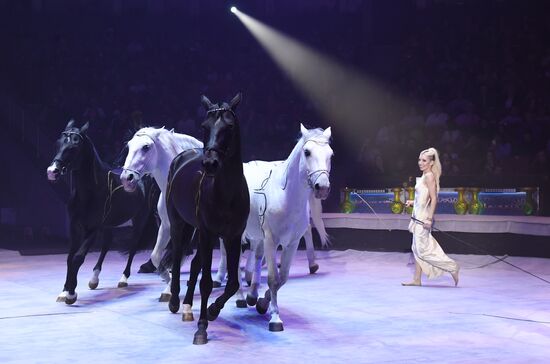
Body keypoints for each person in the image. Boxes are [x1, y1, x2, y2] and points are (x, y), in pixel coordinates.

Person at [402, 147, 460, 287]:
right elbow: (424, 198)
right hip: (418, 215)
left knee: (422, 250)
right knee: (416, 248)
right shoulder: (424, 176)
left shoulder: (429, 177)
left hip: (423, 218)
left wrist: (429, 218)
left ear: (431, 162)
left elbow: (434, 199)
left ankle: (452, 267)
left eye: (424, 160)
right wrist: (412, 202)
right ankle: (417, 279)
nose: (420, 163)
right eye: (419, 160)